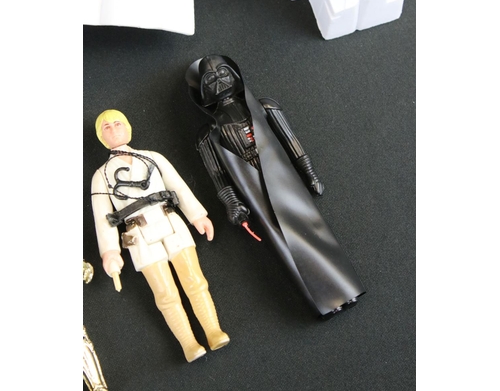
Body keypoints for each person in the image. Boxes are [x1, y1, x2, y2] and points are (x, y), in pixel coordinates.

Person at [186, 55, 365, 319]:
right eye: (210, 79)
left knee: (315, 233)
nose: (219, 82)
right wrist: (232, 203)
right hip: (254, 190)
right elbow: (218, 175)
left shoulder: (265, 107)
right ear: (201, 91)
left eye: (223, 73)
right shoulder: (208, 133)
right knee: (285, 246)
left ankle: (347, 288)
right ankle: (325, 302)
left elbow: (291, 141)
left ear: (235, 75)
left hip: (286, 180)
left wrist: (309, 173)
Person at [91, 109, 229, 362]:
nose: (114, 129)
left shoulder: (152, 157)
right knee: (165, 294)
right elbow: (102, 217)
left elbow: (178, 187)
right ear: (101, 136)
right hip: (138, 234)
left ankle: (213, 330)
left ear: (128, 127)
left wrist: (197, 215)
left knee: (195, 280)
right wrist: (110, 251)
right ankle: (188, 343)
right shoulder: (101, 176)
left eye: (118, 123)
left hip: (169, 221)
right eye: (106, 127)